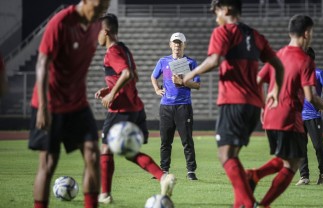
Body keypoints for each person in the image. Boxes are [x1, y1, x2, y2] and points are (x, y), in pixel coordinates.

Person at [183, 0, 284, 207]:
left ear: (226, 9)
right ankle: (239, 204)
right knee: (234, 157)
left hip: (233, 102)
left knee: (225, 155)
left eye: (216, 12)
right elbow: (278, 66)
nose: (215, 17)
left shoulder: (223, 32)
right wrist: (275, 90)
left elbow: (214, 60)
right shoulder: (256, 36)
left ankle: (249, 203)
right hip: (253, 106)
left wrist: (190, 74)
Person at [246, 15, 323, 208]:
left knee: (287, 159)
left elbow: (257, 82)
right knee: (292, 165)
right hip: (289, 117)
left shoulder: (275, 55)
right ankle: (261, 194)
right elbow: (310, 97)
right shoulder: (305, 61)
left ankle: (256, 178)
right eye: (311, 32)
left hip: (270, 117)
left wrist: (263, 106)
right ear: (306, 33)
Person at [28, 0, 110, 208]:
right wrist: (44, 108)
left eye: (105, 8)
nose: (101, 11)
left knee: (93, 154)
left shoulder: (95, 25)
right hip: (50, 103)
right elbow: (42, 63)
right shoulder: (61, 23)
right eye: (99, 6)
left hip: (76, 103)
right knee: (48, 163)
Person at [95, 13, 176, 204]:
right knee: (130, 152)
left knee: (106, 149)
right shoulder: (124, 49)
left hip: (120, 111)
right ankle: (163, 177)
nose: (96, 36)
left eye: (97, 31)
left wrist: (112, 94)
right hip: (136, 108)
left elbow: (127, 73)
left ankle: (105, 195)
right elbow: (134, 77)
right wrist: (108, 89)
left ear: (105, 32)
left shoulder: (113, 52)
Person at [151, 32, 200, 180]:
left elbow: (197, 84)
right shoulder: (163, 61)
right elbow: (153, 76)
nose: (177, 45)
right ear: (170, 45)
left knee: (187, 141)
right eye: (175, 42)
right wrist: (157, 89)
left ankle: (191, 171)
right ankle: (163, 170)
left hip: (183, 106)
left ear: (184, 45)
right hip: (166, 106)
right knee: (165, 141)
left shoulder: (191, 63)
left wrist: (183, 82)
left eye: (180, 43)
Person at [296, 47, 323, 186]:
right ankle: (304, 176)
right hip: (298, 117)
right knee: (300, 147)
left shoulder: (319, 73)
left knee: (318, 146)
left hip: (313, 116)